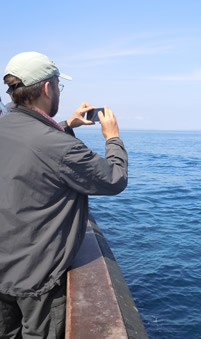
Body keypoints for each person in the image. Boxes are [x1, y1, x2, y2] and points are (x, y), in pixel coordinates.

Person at [0, 52, 128, 338]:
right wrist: (113, 138)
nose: (58, 91)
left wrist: (67, 127)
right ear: (48, 88)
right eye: (58, 85)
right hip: (35, 280)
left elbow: (34, 149)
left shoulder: (6, 126)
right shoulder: (57, 145)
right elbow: (115, 179)